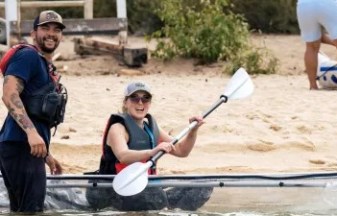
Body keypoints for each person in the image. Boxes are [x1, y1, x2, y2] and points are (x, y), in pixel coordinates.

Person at [86, 81, 213, 211]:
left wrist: (193, 130)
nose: (140, 102)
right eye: (135, 98)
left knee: (203, 186)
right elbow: (123, 156)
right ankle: (161, 208)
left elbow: (182, 150)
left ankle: (170, 211)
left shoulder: (151, 128)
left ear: (150, 103)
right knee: (155, 195)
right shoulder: (117, 128)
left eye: (145, 98)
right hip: (113, 191)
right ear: (125, 102)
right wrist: (152, 152)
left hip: (146, 190)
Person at [0, 10, 67, 213]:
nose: (51, 33)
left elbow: (35, 114)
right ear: (33, 33)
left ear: (61, 36)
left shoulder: (44, 66)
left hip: (24, 149)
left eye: (56, 29)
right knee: (32, 211)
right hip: (20, 147)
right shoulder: (28, 56)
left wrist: (46, 155)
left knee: (22, 210)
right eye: (45, 28)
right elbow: (9, 93)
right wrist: (30, 133)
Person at [296, 0, 337, 91]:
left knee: (311, 46)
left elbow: (317, 36)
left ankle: (313, 86)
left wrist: (335, 42)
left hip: (304, 3)